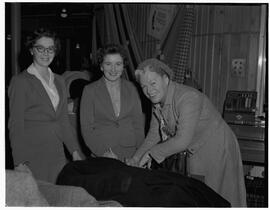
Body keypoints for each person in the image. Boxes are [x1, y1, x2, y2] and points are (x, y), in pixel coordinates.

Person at [126, 58, 246, 207]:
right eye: (144, 86)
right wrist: (136, 159)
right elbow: (154, 134)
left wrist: (151, 154)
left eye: (153, 83)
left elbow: (182, 140)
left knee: (220, 196)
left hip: (218, 146)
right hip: (194, 148)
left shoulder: (188, 97)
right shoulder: (156, 101)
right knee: (199, 194)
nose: (149, 90)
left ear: (165, 79)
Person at [8, 28, 82, 184]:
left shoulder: (60, 81)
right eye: (40, 48)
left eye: (50, 49)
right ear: (31, 50)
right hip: (32, 153)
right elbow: (16, 125)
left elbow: (63, 121)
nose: (46, 53)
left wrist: (74, 151)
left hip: (57, 152)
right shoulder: (20, 81)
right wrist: (20, 162)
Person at [80, 44, 145, 161]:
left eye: (118, 64)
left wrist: (139, 155)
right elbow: (86, 128)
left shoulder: (132, 88)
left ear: (123, 66)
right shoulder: (89, 91)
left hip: (130, 154)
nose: (113, 69)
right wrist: (102, 153)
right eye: (108, 64)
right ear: (101, 66)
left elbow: (138, 125)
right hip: (103, 152)